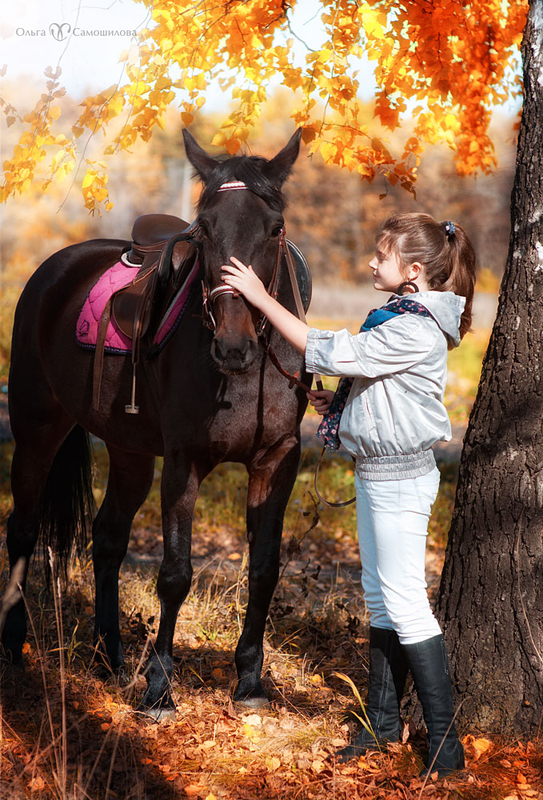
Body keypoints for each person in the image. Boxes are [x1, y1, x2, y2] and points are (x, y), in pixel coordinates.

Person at [221, 212, 477, 778]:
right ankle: (382, 724)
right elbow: (377, 381)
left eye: (381, 256)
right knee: (381, 600)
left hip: (401, 480)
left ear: (414, 270)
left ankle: (446, 746)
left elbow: (336, 352)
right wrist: (342, 403)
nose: (370, 263)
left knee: (406, 604)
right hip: (377, 473)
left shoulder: (415, 327)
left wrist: (261, 298)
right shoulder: (400, 315)